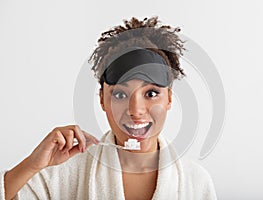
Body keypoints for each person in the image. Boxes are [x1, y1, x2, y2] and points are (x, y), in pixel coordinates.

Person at [0, 16, 217, 200]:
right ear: (102, 99)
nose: (136, 110)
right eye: (120, 94)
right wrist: (32, 165)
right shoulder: (63, 172)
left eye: (151, 93)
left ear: (169, 98)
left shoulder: (196, 183)